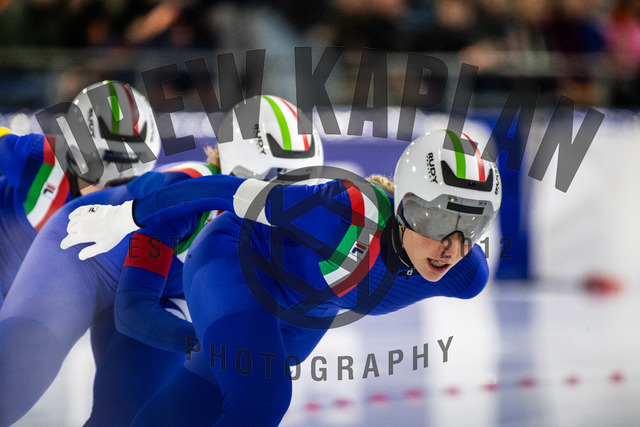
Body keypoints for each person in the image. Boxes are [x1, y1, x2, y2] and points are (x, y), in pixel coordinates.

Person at [62, 129, 502, 426]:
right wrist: (126, 216)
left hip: (308, 308)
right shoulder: (346, 211)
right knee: (263, 398)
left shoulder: (465, 275)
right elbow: (223, 190)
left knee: (204, 392)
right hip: (235, 260)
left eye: (472, 226)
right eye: (438, 219)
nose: (452, 246)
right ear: (404, 205)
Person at [0, 93, 323, 426]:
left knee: (125, 418)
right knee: (13, 386)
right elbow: (133, 311)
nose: (290, 206)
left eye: (304, 188)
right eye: (280, 184)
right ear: (240, 174)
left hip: (161, 293)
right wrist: (217, 344)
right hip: (84, 258)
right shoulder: (183, 192)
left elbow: (276, 356)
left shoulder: (302, 232)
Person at [0, 80, 160, 306]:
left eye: (130, 179)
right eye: (101, 170)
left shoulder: (146, 209)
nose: (113, 192)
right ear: (74, 154)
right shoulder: (38, 160)